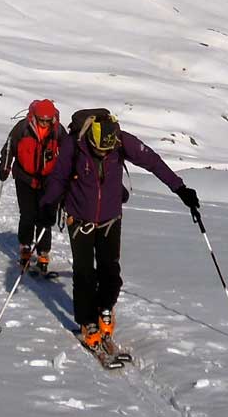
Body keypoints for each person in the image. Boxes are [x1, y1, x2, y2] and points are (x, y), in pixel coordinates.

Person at [41, 107, 199, 357]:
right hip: (79, 217)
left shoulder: (120, 139)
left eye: (108, 150)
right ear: (90, 138)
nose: (103, 154)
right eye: (99, 150)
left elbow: (152, 161)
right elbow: (59, 177)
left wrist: (180, 189)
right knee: (83, 273)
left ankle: (105, 308)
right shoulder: (75, 143)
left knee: (110, 270)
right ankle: (87, 321)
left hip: (110, 218)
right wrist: (48, 206)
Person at [0, 99, 63, 275]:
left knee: (45, 216)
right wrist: (5, 166)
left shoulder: (58, 131)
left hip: (48, 180)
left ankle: (43, 253)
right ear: (35, 116)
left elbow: (67, 152)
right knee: (27, 214)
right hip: (25, 178)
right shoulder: (22, 127)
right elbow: (9, 147)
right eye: (42, 119)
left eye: (47, 120)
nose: (44, 123)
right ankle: (25, 247)